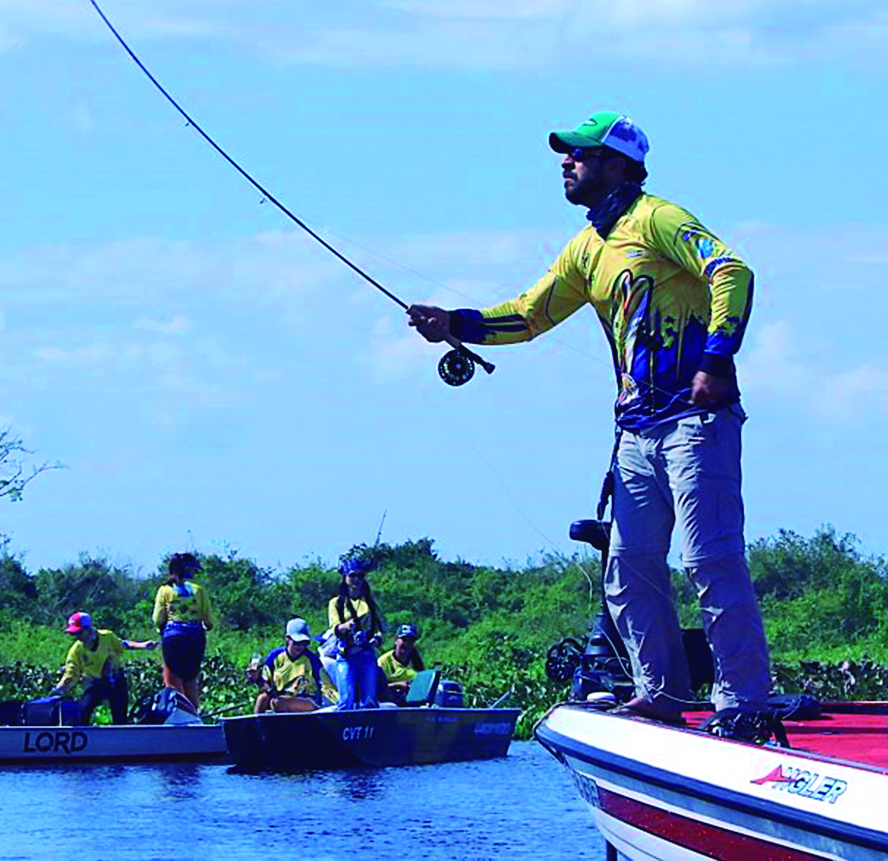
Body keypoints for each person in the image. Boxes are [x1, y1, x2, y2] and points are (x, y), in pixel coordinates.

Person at [408, 111, 771, 724]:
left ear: (618, 164)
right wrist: (457, 324)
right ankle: (664, 697)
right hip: (635, 430)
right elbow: (528, 316)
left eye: (579, 153)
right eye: (567, 155)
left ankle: (743, 702)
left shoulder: (656, 218)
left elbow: (731, 272)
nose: (565, 163)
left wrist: (717, 358)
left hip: (695, 422)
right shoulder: (586, 248)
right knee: (628, 570)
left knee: (709, 560)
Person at [51, 611, 158, 725]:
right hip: (95, 684)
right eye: (74, 633)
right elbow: (71, 674)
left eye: (79, 632)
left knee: (120, 718)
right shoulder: (76, 651)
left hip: (116, 681)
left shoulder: (107, 637)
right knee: (83, 713)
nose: (78, 636)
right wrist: (58, 689)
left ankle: (121, 739)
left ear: (89, 629)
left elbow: (123, 644)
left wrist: (143, 645)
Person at [151, 552, 213, 711]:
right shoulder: (199, 590)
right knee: (190, 677)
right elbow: (208, 620)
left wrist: (161, 629)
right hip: (195, 637)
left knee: (171, 675)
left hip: (174, 637)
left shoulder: (165, 589)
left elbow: (158, 618)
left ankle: (176, 711)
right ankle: (193, 711)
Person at [323, 559, 386, 709]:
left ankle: (370, 728)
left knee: (369, 700)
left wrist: (376, 639)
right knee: (346, 699)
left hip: (366, 655)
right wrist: (347, 627)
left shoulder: (369, 602)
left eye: (360, 575)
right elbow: (335, 628)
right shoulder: (336, 603)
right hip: (346, 655)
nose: (356, 580)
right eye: (352, 575)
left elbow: (377, 628)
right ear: (345, 577)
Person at [255, 618, 330, 714]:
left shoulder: (312, 659)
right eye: (297, 642)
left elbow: (325, 683)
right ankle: (255, 726)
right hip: (280, 696)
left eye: (304, 643)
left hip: (307, 700)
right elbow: (264, 680)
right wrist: (258, 680)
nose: (300, 647)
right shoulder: (275, 657)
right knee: (262, 699)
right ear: (287, 639)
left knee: (278, 702)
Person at [378, 623, 425, 704]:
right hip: (389, 701)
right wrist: (397, 685)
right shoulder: (383, 661)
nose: (407, 643)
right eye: (404, 639)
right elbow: (377, 688)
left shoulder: (416, 662)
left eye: (411, 641)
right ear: (396, 640)